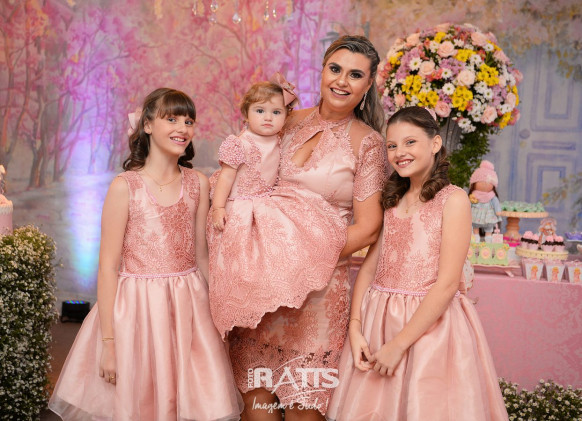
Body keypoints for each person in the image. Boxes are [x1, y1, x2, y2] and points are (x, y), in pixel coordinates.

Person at [49, 88, 242, 421]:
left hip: (187, 308)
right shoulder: (125, 187)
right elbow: (108, 268)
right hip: (135, 312)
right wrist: (108, 343)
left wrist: (221, 313)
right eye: (172, 119)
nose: (183, 128)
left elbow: (202, 256)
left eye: (189, 121)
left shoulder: (198, 183)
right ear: (148, 125)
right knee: (139, 400)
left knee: (191, 399)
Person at [227, 35, 389, 420]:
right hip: (263, 291)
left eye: (355, 75)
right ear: (322, 71)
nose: (342, 81)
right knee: (256, 409)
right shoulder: (284, 121)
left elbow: (368, 229)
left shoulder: (369, 144)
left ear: (368, 85)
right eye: (335, 69)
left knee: (305, 411)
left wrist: (300, 262)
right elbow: (247, 178)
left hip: (318, 295)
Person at [326, 106, 508, 421]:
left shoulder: (453, 200)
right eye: (392, 145)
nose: (400, 152)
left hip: (428, 329)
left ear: (435, 144)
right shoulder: (392, 200)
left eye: (410, 142)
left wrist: (398, 345)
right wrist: (355, 327)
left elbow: (447, 284)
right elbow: (369, 268)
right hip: (379, 321)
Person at [208, 75, 347, 340]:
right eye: (260, 111)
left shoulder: (277, 137)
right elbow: (226, 177)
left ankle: (275, 291)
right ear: (246, 114)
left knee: (283, 244)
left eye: (276, 112)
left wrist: (287, 98)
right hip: (240, 206)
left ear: (285, 116)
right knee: (242, 261)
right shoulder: (240, 142)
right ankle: (242, 302)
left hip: (265, 200)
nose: (268, 118)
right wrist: (218, 208)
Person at [468, 160, 502, 242]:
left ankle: (488, 237)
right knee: (475, 226)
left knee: (489, 227)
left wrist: (498, 211)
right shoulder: (473, 196)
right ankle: (476, 237)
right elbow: (468, 205)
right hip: (475, 217)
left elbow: (496, 204)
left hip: (488, 217)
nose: (484, 184)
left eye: (487, 182)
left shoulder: (492, 196)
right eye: (480, 181)